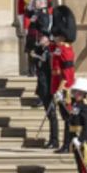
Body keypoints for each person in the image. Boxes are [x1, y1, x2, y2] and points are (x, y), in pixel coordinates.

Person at [17, 0, 54, 76]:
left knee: (44, 44)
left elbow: (50, 6)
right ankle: (31, 70)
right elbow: (21, 9)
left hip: (43, 20)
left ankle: (43, 68)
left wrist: (50, 21)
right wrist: (23, 25)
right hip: (31, 20)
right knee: (31, 46)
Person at [50, 6, 76, 153]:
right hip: (58, 88)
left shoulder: (66, 50)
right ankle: (67, 144)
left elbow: (66, 75)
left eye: (58, 36)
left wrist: (59, 91)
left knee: (67, 118)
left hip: (65, 89)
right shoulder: (59, 48)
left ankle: (67, 145)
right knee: (65, 117)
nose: (56, 38)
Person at [29, 18, 58, 148]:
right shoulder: (41, 50)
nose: (39, 38)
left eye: (42, 37)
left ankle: (55, 140)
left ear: (47, 39)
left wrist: (37, 56)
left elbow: (49, 65)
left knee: (52, 115)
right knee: (50, 114)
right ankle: (53, 140)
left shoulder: (49, 51)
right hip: (43, 87)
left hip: (49, 87)